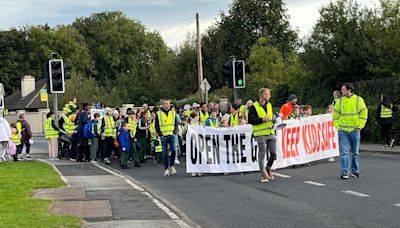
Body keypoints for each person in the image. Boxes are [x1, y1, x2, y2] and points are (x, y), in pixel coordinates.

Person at [333, 83, 368, 179]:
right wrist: (338, 127)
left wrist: (360, 126)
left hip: (355, 131)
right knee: (344, 152)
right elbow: (335, 116)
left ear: (349, 90)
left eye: (343, 90)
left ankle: (355, 171)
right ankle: (345, 172)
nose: (341, 91)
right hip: (343, 131)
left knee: (355, 152)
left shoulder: (358, 100)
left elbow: (364, 113)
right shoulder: (339, 102)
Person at [248, 88, 277, 183]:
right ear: (263, 95)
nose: (270, 96)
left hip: (270, 132)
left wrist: (273, 119)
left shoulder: (269, 105)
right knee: (262, 154)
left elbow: (269, 116)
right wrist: (261, 119)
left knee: (273, 153)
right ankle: (263, 174)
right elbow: (250, 120)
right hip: (260, 135)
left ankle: (268, 168)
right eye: (268, 94)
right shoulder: (253, 107)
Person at [155, 99, 179, 176]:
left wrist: (175, 132)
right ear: (163, 105)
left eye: (168, 103)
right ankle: (166, 169)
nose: (167, 105)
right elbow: (156, 125)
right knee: (165, 153)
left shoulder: (173, 112)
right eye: (166, 103)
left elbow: (176, 123)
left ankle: (172, 166)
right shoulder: (159, 114)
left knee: (174, 151)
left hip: (172, 135)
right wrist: (160, 134)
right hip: (164, 136)